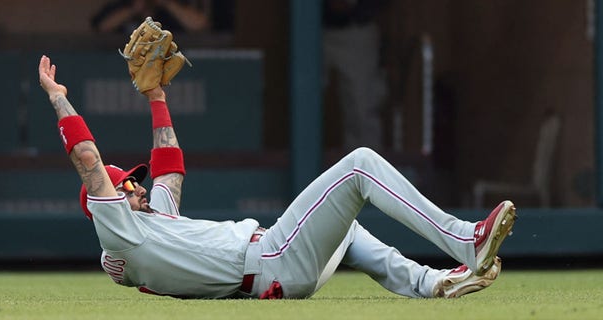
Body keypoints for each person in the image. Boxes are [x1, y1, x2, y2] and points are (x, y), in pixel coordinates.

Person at [38, 52, 516, 299]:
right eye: (126, 185)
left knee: (345, 226)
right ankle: (464, 240)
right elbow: (87, 159)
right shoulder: (120, 234)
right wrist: (59, 98)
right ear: (104, 207)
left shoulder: (148, 229)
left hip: (274, 271)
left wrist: (157, 97)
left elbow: (171, 167)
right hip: (270, 261)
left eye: (133, 181)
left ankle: (430, 284)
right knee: (361, 164)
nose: (136, 186)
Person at [323, 0, 390, 150]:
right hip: (314, 27)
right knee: (304, 99)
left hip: (357, 29)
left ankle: (367, 169)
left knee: (361, 105)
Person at [91, 0, 212, 35]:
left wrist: (168, 4)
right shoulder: (122, 6)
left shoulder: (173, 8)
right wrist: (134, 9)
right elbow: (102, 27)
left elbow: (200, 25)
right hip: (127, 71)